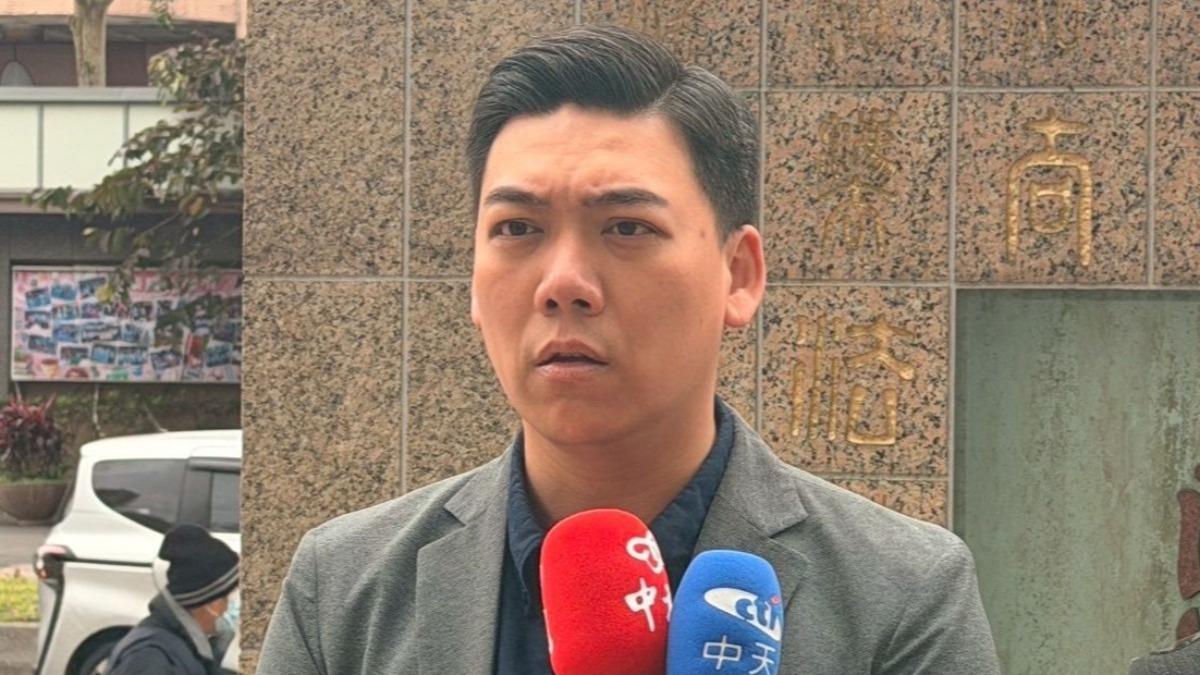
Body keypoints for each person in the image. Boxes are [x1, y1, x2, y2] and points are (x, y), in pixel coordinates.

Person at [256, 24, 1001, 674]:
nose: (564, 284)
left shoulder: (902, 592)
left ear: (738, 275)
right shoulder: (344, 586)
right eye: (517, 229)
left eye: (627, 228)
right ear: (474, 285)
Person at [107, 524, 240, 675]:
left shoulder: (189, 646)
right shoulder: (150, 657)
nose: (232, 605)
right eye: (226, 597)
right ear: (207, 604)